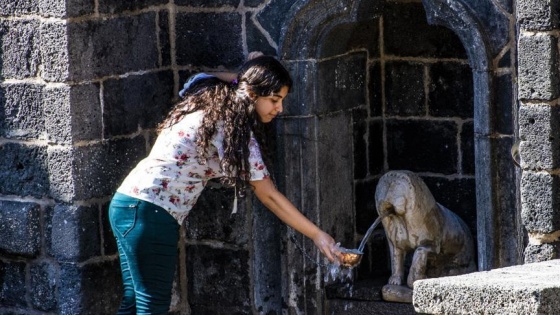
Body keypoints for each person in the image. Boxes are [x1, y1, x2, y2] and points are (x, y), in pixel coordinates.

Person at [108, 53, 338, 314]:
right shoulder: (233, 128)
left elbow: (199, 78)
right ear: (252, 93)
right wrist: (318, 236)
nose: (280, 108)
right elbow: (269, 196)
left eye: (281, 100)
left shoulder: (206, 97)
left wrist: (247, 74)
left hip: (129, 203)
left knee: (134, 302)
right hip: (150, 212)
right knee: (152, 305)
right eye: (274, 100)